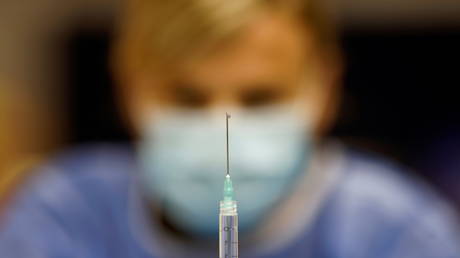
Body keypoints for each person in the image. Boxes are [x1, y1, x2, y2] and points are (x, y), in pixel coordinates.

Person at [1, 0, 459, 257]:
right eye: (187, 97)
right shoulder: (64, 217)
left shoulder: (395, 234)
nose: (223, 126)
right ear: (129, 86)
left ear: (326, 88)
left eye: (260, 98)